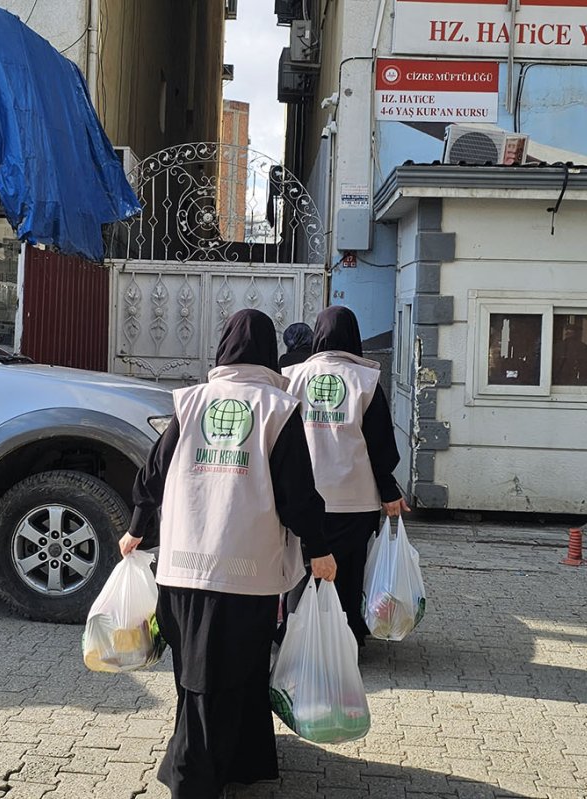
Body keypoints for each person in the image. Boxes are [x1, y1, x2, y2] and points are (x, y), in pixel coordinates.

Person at [118, 309, 338, 798]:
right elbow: (298, 495)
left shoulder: (191, 401)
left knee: (193, 670)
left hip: (182, 566)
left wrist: (136, 528)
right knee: (234, 672)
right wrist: (319, 549)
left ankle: (234, 761)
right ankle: (193, 777)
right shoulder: (279, 409)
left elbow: (152, 473)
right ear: (266, 350)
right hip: (247, 572)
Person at [283, 306, 409, 646]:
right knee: (349, 571)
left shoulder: (291, 377)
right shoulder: (366, 381)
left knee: (301, 570)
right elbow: (379, 442)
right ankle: (346, 640)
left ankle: (297, 639)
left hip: (302, 496)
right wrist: (388, 490)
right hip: (354, 499)